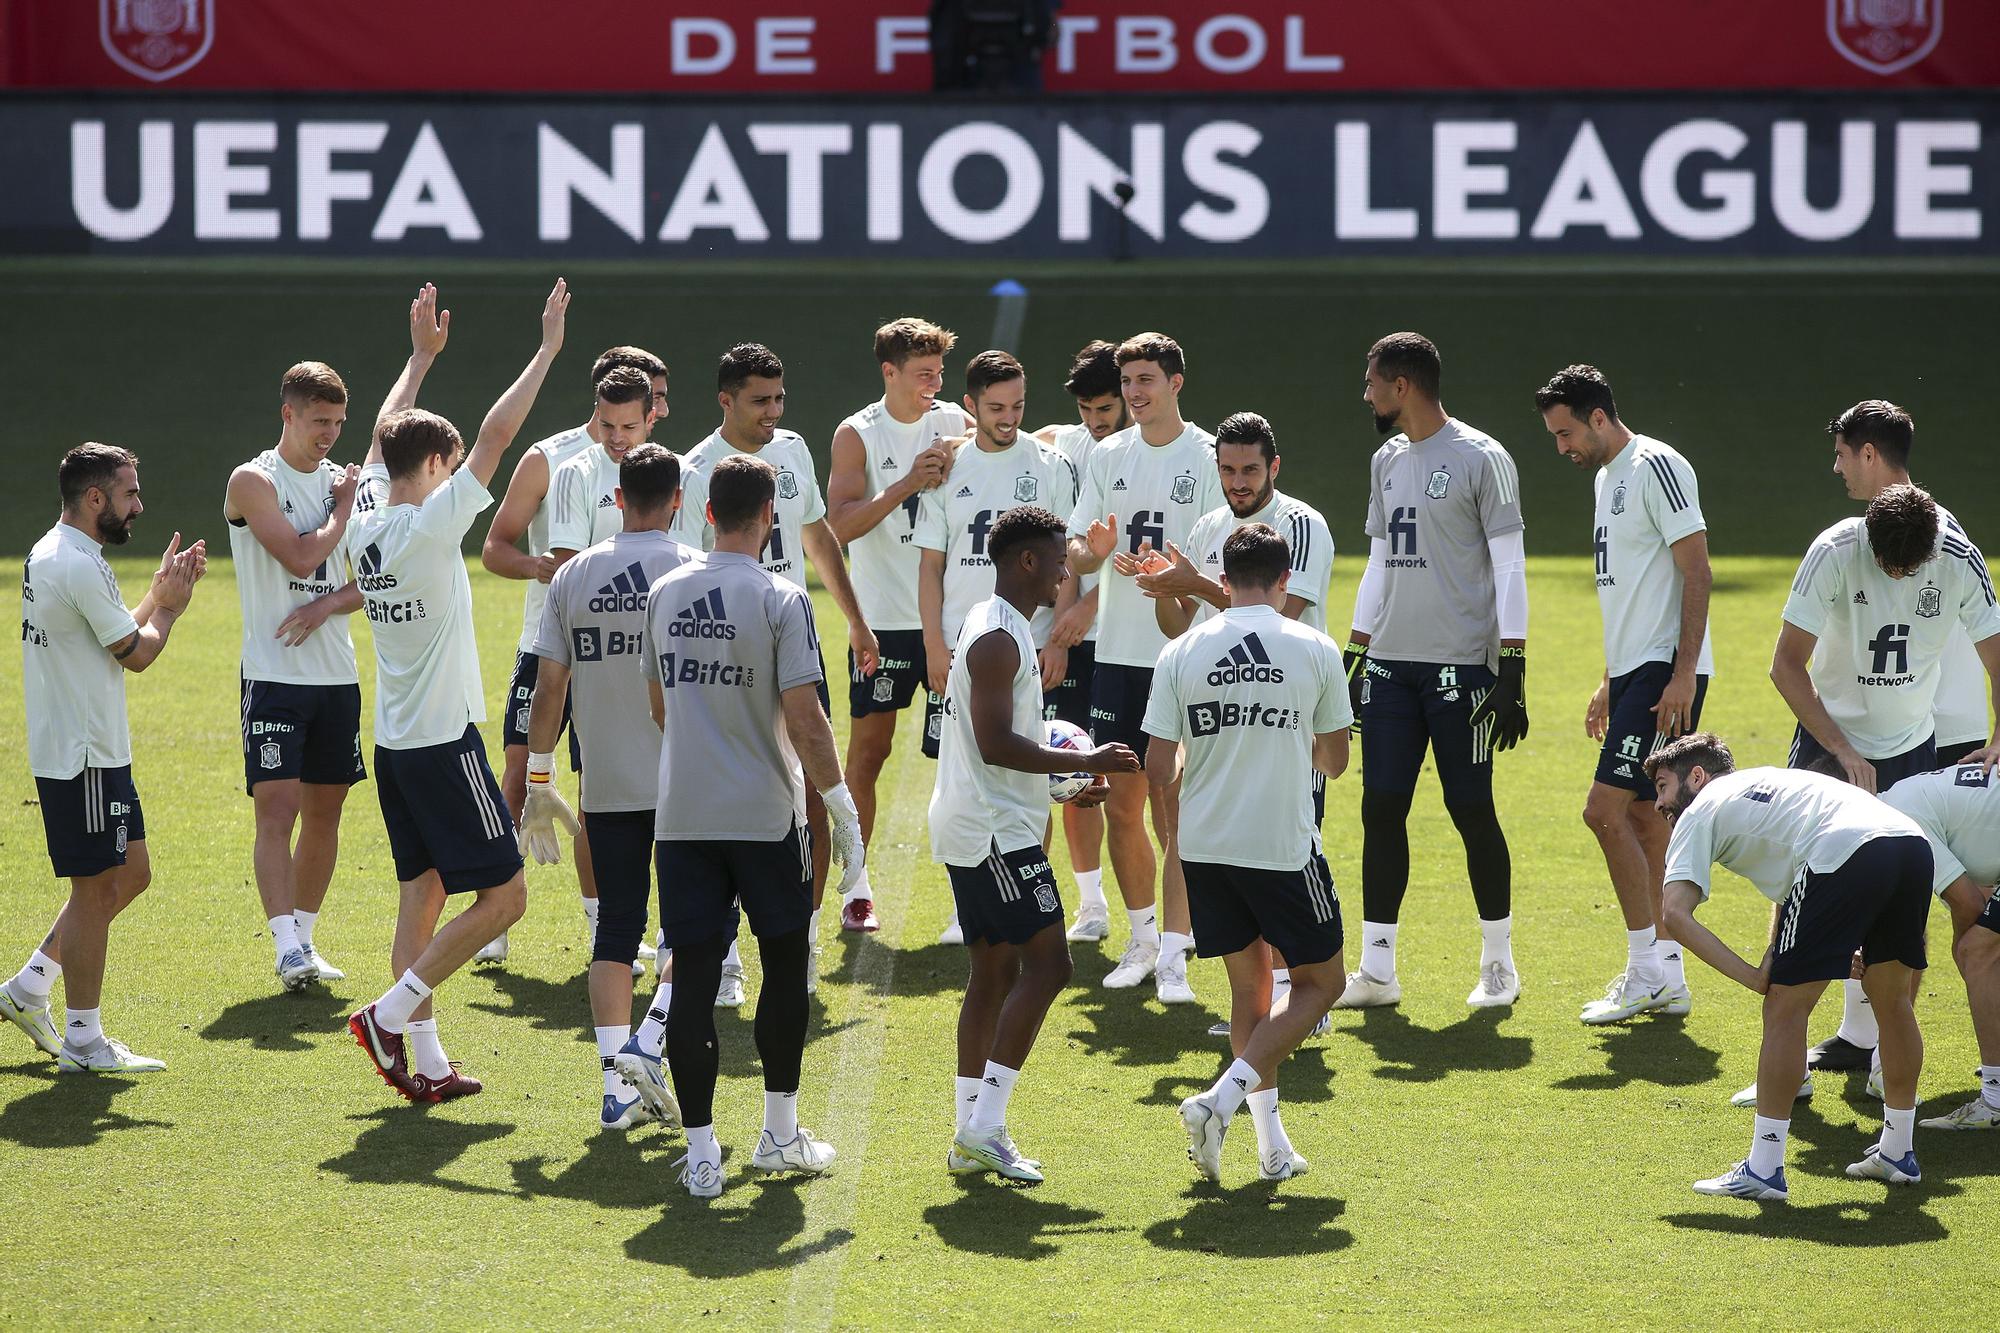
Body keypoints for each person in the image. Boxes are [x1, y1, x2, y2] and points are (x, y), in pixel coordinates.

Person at [345, 279, 569, 1103]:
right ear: (435, 467)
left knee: (424, 892)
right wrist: (545, 349)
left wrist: (419, 360)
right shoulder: (431, 521)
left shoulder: (366, 517)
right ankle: (390, 1015)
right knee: (505, 895)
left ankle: (426, 1061)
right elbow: (498, 435)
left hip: (396, 744)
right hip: (444, 744)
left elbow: (378, 439)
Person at [643, 454, 867, 1198]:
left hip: (682, 819)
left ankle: (703, 1153)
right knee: (784, 965)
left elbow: (659, 706)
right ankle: (779, 1134)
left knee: (697, 976)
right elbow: (805, 716)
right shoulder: (781, 597)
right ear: (769, 516)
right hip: (767, 817)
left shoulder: (666, 591)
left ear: (705, 512)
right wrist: (838, 802)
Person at [1786, 400, 1997, 1073]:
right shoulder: (1836, 549)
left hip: (1912, 743)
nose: (1836, 465)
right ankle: (1796, 1048)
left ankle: (1884, 1046)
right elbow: (1784, 663)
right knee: (1800, 885)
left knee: (1904, 896)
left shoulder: (1952, 550)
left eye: (1844, 452)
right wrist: (1842, 750)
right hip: (1829, 739)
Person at [930, 505, 1137, 1182]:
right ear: (1026, 561)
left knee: (993, 972)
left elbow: (1008, 738)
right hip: (996, 834)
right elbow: (995, 743)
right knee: (1049, 967)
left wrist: (1069, 779)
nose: (1063, 570)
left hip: (983, 821)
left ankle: (970, 1131)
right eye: (1056, 559)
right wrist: (1091, 762)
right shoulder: (998, 638)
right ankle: (985, 1128)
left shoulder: (999, 626)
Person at [1146, 524, 1352, 1183]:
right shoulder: (1315, 648)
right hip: (1282, 845)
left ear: (1223, 581)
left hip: (1203, 846)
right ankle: (1221, 1099)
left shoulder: (1180, 652)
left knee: (1250, 990)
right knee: (1323, 983)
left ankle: (1270, 1147)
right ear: (1286, 579)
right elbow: (1337, 761)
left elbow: (1157, 766)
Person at [675, 344, 880, 1001]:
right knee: (727, 799)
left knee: (812, 793)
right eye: (759, 400)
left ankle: (806, 934)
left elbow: (818, 537)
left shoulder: (791, 449)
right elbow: (684, 573)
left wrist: (854, 617)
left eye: (779, 398)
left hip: (794, 643)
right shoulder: (696, 471)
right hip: (725, 656)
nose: (773, 411)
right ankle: (727, 954)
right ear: (725, 400)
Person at [1649, 733, 1931, 1200]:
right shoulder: (1773, 784)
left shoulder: (1699, 811)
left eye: (1662, 786)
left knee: (1783, 1008)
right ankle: (1898, 1150)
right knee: (1893, 1000)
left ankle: (1763, 1170)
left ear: (1697, 777)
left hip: (1842, 852)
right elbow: (1799, 883)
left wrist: (1757, 977)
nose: (1658, 803)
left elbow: (1674, 914)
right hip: (1909, 844)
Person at [1339, 332, 1529, 1011]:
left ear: (1402, 386)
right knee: (1380, 806)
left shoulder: (1483, 457)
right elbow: (1382, 560)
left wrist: (1512, 661)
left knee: (1471, 807)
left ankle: (1499, 966)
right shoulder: (1386, 458)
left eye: (1372, 380)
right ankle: (1378, 970)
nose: (1365, 393)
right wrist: (1357, 648)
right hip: (1391, 666)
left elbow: (1508, 564)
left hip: (1462, 672)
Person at [1, 445, 205, 1073]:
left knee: (130, 873)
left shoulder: (57, 552)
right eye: (129, 494)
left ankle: (30, 988)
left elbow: (114, 638)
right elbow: (138, 654)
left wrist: (152, 596)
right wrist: (169, 608)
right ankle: (84, 1043)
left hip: (91, 751)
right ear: (95, 498)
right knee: (93, 893)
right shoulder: (79, 564)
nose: (138, 506)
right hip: (83, 756)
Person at [1135, 411, 1335, 1038]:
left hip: (1288, 712)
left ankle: (1299, 995)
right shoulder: (1209, 526)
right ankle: (1263, 1006)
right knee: (1236, 853)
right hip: (1221, 713)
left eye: (1250, 469)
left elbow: (1284, 617)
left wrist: (1194, 581)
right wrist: (1165, 590)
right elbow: (1180, 627)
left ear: (1274, 466)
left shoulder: (1301, 525)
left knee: (1286, 846)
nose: (1238, 481)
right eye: (1227, 469)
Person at [521, 443, 694, 1132]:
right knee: (692, 930)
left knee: (616, 932)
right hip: (688, 786)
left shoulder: (573, 575)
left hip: (607, 786)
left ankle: (614, 1084)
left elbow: (548, 687)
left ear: (618, 497)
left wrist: (539, 779)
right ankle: (650, 1044)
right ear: (678, 499)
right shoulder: (692, 570)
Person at [478, 344, 669, 966]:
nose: (618, 439)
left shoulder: (661, 476)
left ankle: (599, 925)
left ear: (651, 417)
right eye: (609, 425)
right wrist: (545, 569)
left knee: (599, 792)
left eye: (630, 427)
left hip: (623, 661)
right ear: (597, 411)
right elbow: (526, 557)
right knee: (516, 776)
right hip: (549, 648)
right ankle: (494, 917)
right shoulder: (561, 466)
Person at [1536, 365, 1714, 1026]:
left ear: (1600, 416)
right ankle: (1667, 976)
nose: (1563, 449)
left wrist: (1682, 672)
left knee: (1603, 811)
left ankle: (1647, 969)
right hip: (1637, 672)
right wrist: (1611, 678)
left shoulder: (1657, 466)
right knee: (1642, 816)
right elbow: (1632, 588)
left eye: (1566, 433)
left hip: (1666, 672)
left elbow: (1696, 568)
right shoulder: (1608, 479)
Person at [1064, 332, 1222, 1003]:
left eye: (1146, 380)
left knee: (1181, 810)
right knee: (1123, 804)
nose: (1133, 392)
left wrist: (1179, 579)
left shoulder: (1212, 456)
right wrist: (1089, 549)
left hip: (1193, 653)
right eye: (1127, 381)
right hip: (1121, 655)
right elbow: (1075, 552)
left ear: (1176, 382)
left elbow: (1230, 556)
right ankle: (1144, 939)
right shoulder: (1108, 454)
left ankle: (1181, 954)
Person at [917, 350, 1080, 942]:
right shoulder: (945, 468)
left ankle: (1028, 893)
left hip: (1032, 645)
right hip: (968, 647)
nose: (1008, 417)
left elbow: (1067, 558)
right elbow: (932, 565)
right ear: (970, 408)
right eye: (995, 407)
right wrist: (935, 642)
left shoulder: (1052, 465)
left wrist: (1060, 636)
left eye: (1017, 406)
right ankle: (977, 901)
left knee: (1029, 769)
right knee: (967, 764)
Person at [825, 318, 972, 933]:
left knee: (963, 760)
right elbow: (839, 525)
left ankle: (969, 899)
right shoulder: (858, 434)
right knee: (868, 753)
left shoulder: (956, 426)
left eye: (939, 373)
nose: (933, 385)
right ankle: (856, 885)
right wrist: (909, 482)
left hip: (951, 620)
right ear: (889, 373)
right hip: (884, 623)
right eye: (922, 374)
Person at [223, 361, 366, 992]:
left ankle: (305, 939)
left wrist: (326, 604)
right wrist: (340, 510)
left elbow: (377, 578)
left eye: (337, 422)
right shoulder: (253, 481)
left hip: (336, 676)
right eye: (318, 421)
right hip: (275, 673)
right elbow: (303, 554)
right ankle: (283, 945)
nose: (329, 434)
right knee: (276, 810)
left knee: (326, 812)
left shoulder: (346, 481)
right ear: (288, 414)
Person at [1033, 340, 1125, 943]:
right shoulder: (1066, 443)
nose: (1097, 421)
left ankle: (1176, 915)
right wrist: (1064, 631)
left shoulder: (1142, 452)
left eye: (1107, 408)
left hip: (1125, 633)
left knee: (1146, 782)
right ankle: (1091, 905)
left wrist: (1091, 606)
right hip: (1072, 634)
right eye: (1088, 410)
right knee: (1074, 772)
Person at [1878, 763, 2000, 1129]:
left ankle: (1994, 1102)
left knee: (1975, 953)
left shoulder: (1896, 820)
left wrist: (1968, 959)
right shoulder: (1901, 795)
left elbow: (1968, 904)